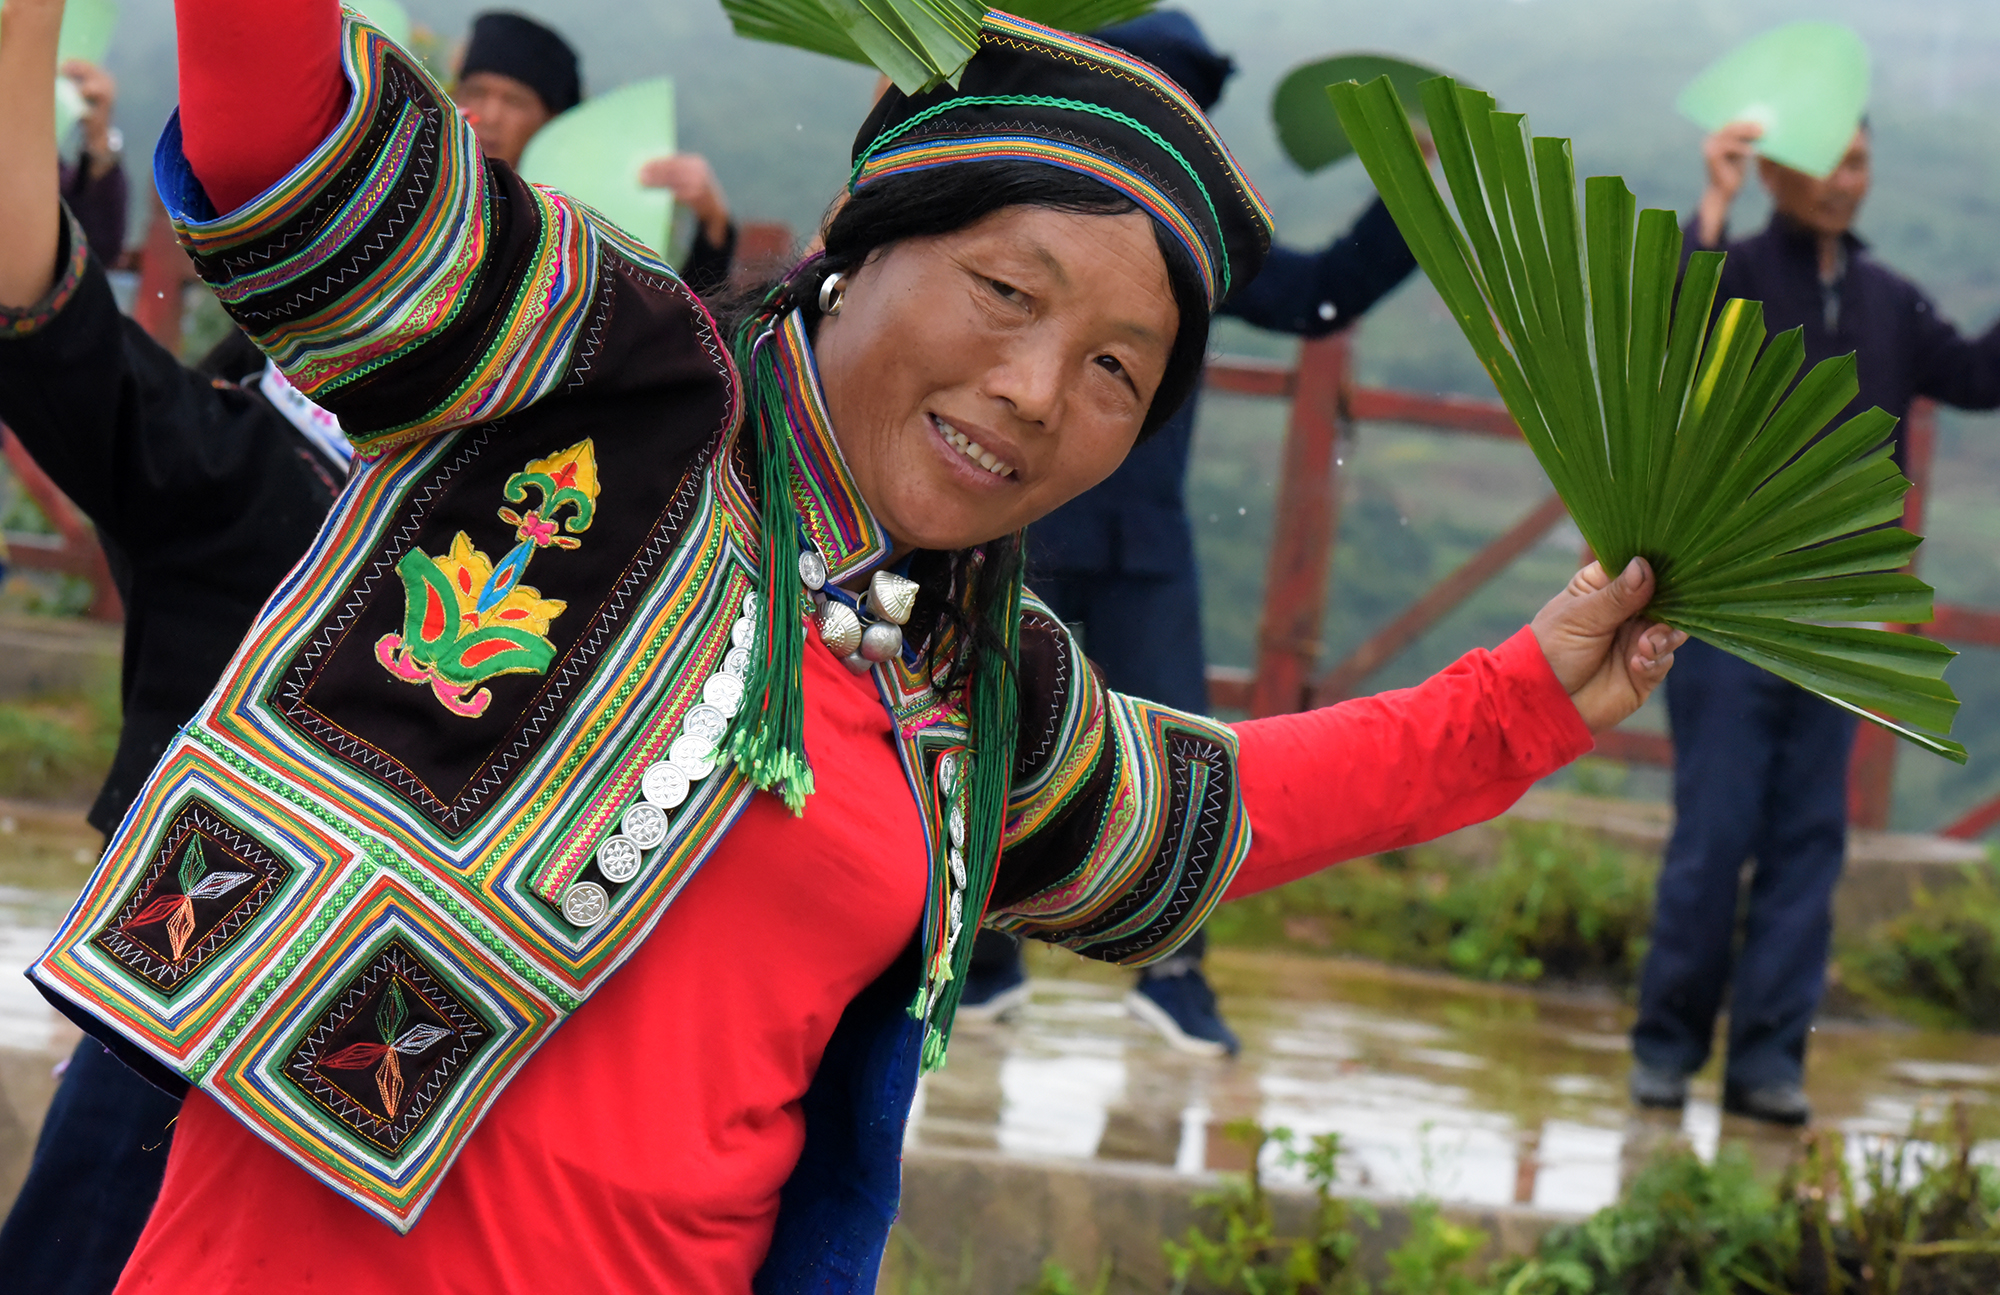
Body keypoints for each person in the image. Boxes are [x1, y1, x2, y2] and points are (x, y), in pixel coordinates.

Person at [26, 1, 1680, 1288]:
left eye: (1119, 370)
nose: (1039, 392)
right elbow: (289, 149)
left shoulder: (971, 679)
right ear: (862, 240)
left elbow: (1206, 810)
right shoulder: (605, 384)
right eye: (1007, 290)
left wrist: (1529, 697)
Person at [962, 11, 1420, 1056]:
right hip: (1018, 520)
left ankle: (1173, 972)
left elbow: (1318, 297)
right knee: (985, 724)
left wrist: (1406, 183)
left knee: (1185, 755)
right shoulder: (1034, 203)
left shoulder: (1201, 238)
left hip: (1146, 543)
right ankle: (978, 961)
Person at [0, 6, 349, 1288]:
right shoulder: (225, 459)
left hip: (401, 1034)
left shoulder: (522, 484)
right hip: (188, 979)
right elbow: (49, 317)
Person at [1629, 115, 2000, 1126]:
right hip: (1730, 608)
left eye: (1859, 161)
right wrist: (1710, 201)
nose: (1845, 181)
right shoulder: (1735, 271)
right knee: (1711, 835)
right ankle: (1664, 1047)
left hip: (1835, 621)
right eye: (1829, 161)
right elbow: (1668, 332)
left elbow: (1974, 376)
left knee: (1807, 840)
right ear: (1777, 172)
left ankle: (1764, 1065)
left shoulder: (1887, 299)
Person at [452, 9, 739, 296]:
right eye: (476, 92)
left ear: (553, 124)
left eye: (515, 101)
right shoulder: (429, 187)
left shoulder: (579, 237)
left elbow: (673, 324)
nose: (489, 116)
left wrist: (713, 224)